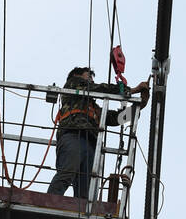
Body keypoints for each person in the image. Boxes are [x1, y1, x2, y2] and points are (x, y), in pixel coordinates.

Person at [47, 64, 149, 198]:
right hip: (73, 135)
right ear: (76, 76)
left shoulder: (94, 109)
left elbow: (115, 118)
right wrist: (132, 90)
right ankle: (51, 200)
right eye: (88, 76)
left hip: (90, 143)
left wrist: (140, 106)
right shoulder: (72, 84)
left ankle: (82, 213)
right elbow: (100, 89)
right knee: (67, 172)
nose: (91, 80)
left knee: (86, 187)